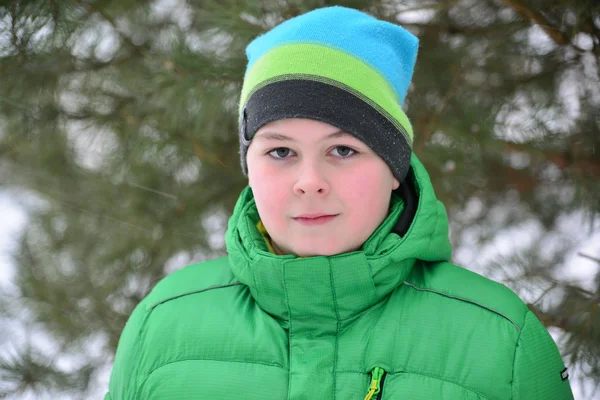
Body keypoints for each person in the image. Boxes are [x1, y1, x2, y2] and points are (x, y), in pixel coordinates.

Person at [105, 6, 574, 399]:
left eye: (343, 150)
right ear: (250, 166)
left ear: (395, 169)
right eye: (280, 151)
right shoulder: (162, 326)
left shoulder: (501, 342)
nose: (310, 182)